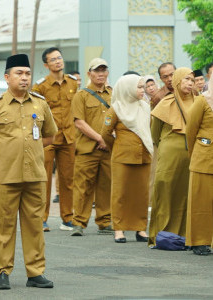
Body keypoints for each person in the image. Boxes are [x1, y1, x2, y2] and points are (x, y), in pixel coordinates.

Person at [0, 53, 57, 291]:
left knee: (34, 226)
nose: (24, 78)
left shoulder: (40, 103)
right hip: (4, 176)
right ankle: (2, 271)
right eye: (19, 74)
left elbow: (50, 135)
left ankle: (35, 272)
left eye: (28, 74)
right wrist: (5, 150)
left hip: (34, 176)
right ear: (7, 77)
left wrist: (28, 151)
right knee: (2, 225)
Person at [32, 47, 78, 232]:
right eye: (53, 59)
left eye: (59, 58)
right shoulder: (40, 86)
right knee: (44, 179)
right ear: (46, 64)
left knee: (68, 180)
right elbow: (34, 113)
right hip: (48, 139)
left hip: (69, 137)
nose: (58, 61)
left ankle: (67, 218)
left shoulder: (73, 83)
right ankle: (41, 218)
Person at [101, 75, 152, 244]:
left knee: (141, 194)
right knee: (120, 193)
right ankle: (119, 229)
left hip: (143, 156)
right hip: (122, 157)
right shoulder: (116, 108)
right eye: (138, 87)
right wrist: (117, 147)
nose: (142, 90)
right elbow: (105, 134)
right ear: (127, 88)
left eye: (142, 87)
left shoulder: (145, 106)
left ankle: (140, 228)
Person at [148, 67, 196, 245]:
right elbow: (155, 133)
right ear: (177, 81)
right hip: (169, 156)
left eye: (192, 80)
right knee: (165, 192)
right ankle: (161, 235)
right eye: (186, 79)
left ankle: (186, 235)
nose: (190, 83)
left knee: (187, 194)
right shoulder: (165, 103)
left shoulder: (199, 102)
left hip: (193, 156)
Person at [70, 58, 113, 236]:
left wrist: (107, 140)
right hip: (88, 149)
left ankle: (104, 221)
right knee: (83, 187)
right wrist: (99, 138)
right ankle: (79, 222)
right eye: (97, 70)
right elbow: (79, 122)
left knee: (107, 185)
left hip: (108, 150)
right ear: (89, 74)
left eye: (103, 70)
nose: (101, 73)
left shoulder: (113, 94)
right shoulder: (81, 95)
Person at [185, 81, 213, 255]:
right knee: (201, 202)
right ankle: (199, 241)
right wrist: (194, 154)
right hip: (204, 157)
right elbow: (190, 130)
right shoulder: (202, 100)